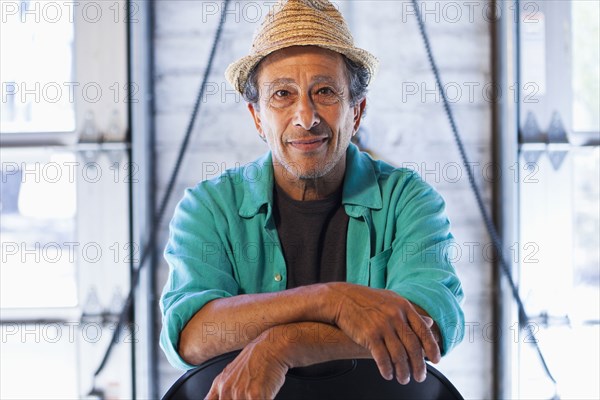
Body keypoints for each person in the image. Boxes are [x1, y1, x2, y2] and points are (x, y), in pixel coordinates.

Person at [160, 0, 464, 398]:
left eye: (324, 91)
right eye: (282, 94)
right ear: (257, 117)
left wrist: (283, 345)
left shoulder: (408, 200)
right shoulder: (208, 207)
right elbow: (191, 335)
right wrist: (330, 300)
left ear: (356, 112)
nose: (305, 116)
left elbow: (427, 328)